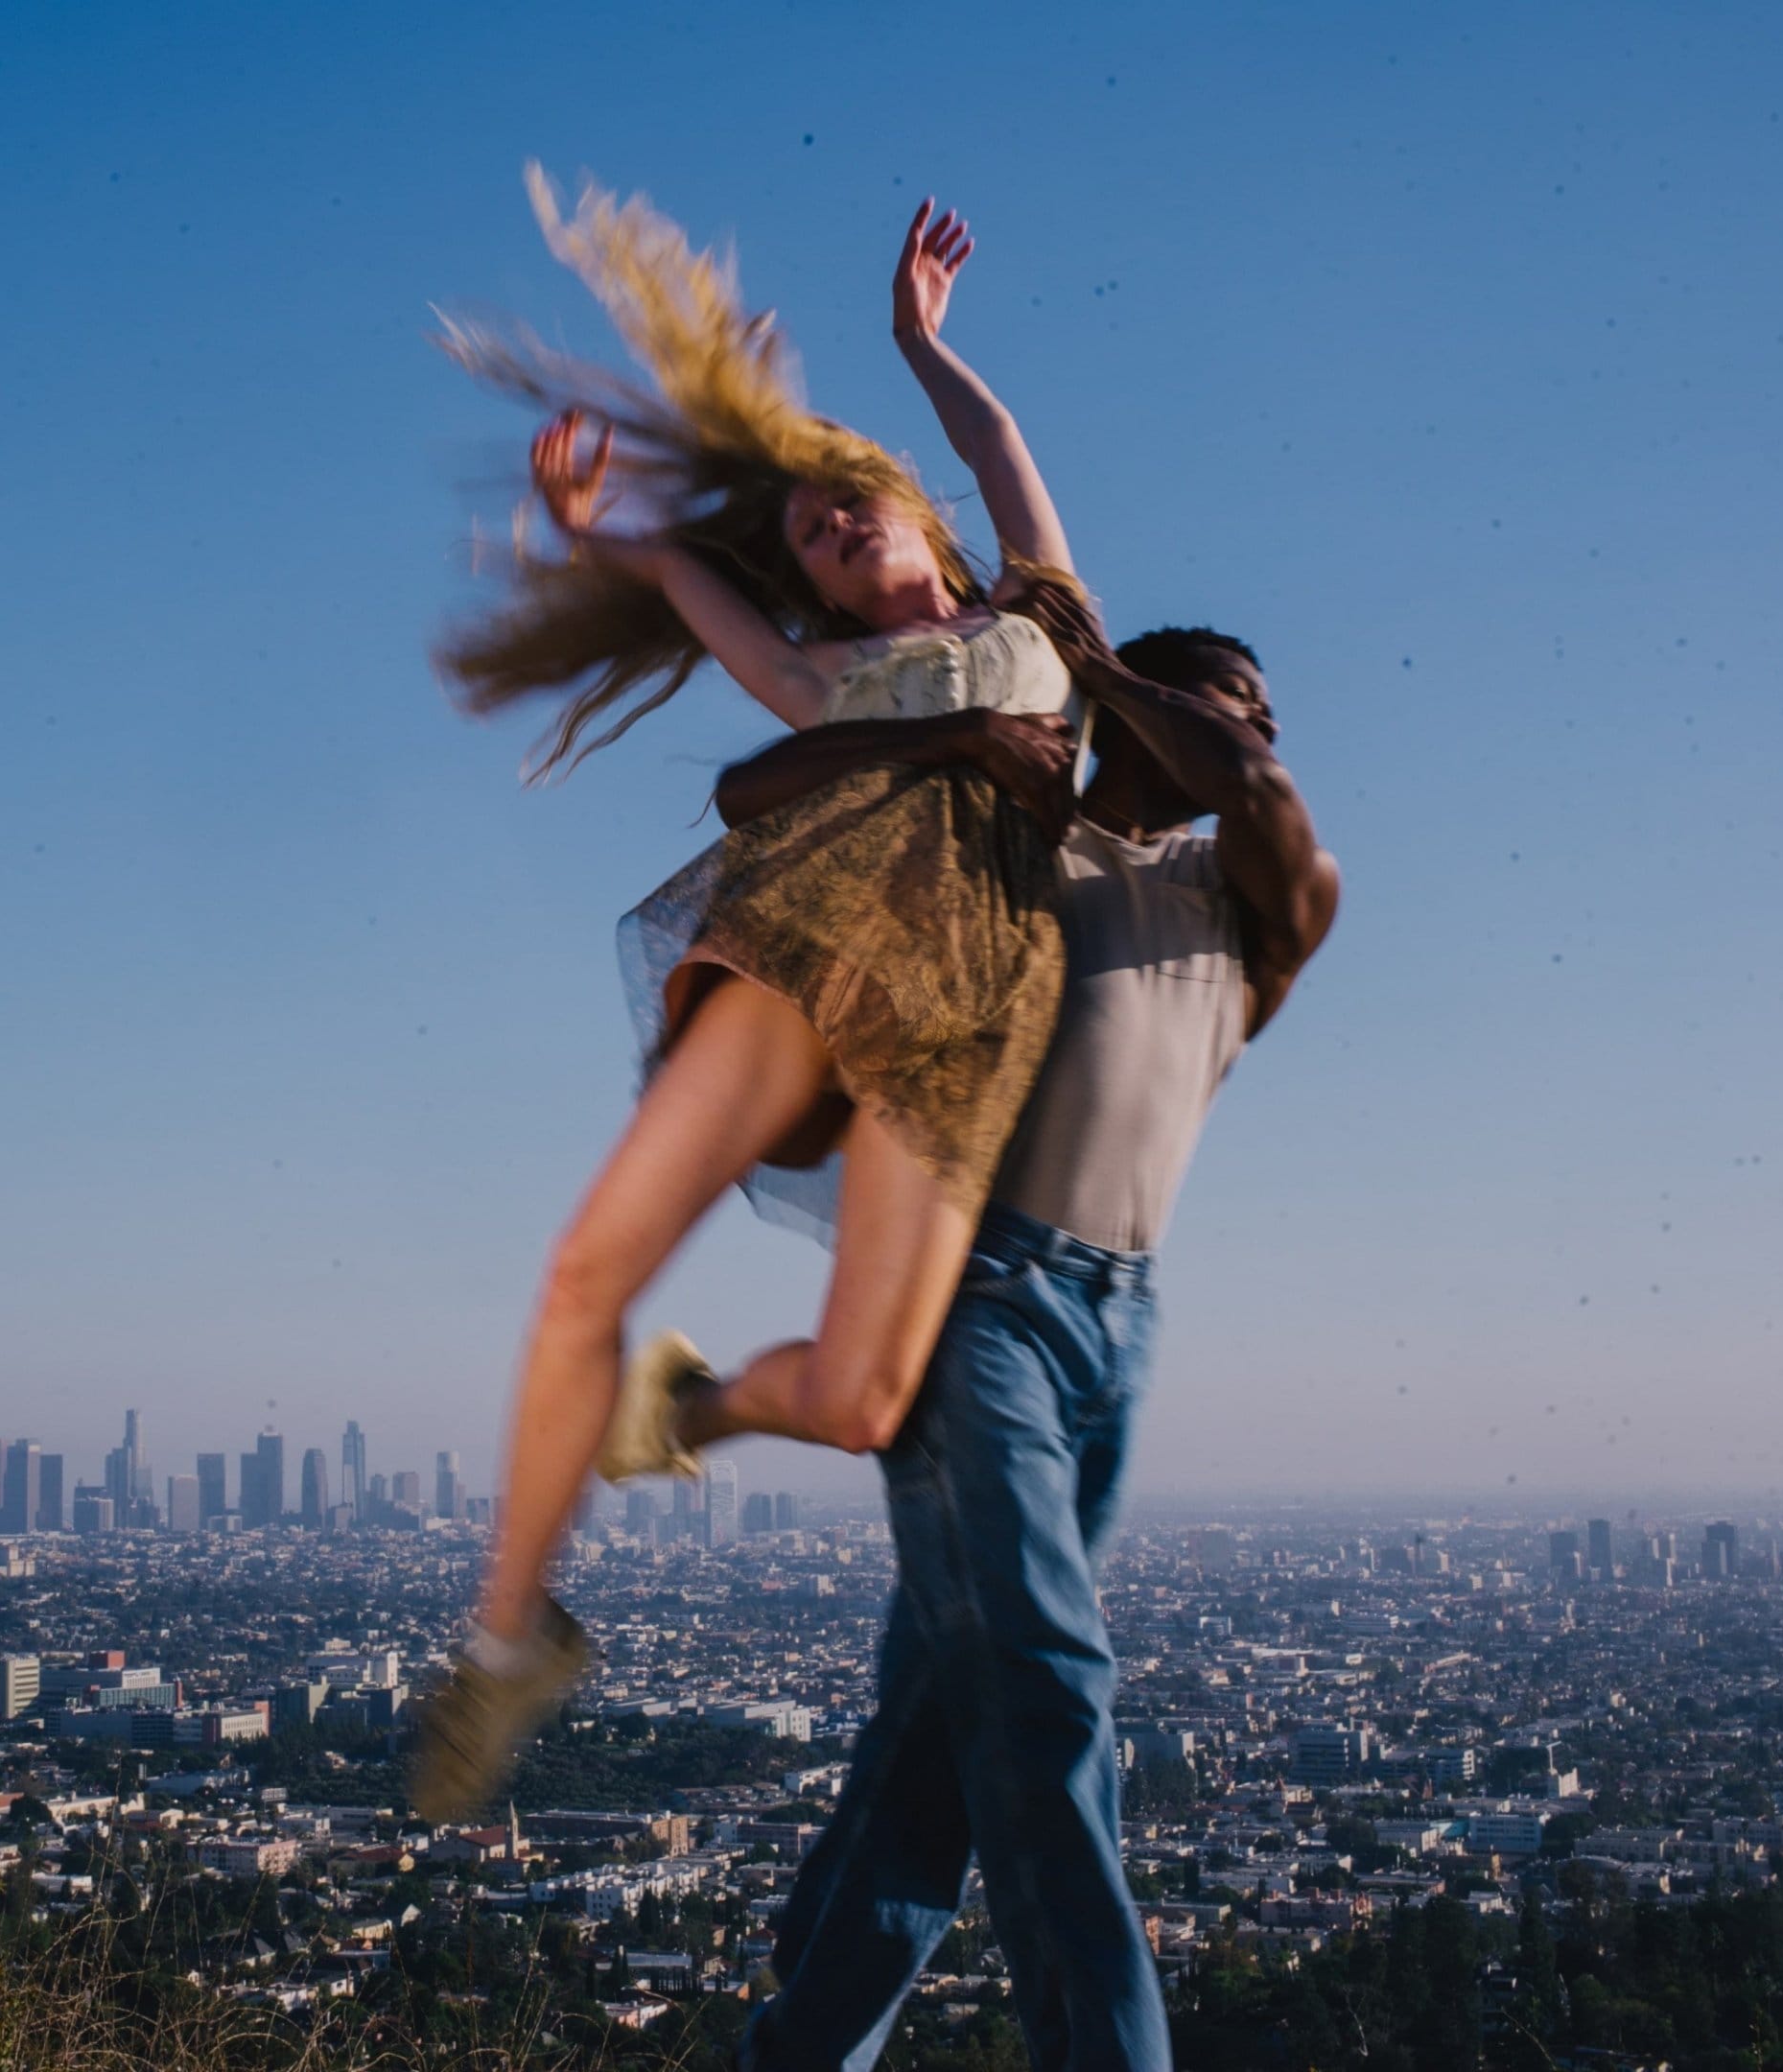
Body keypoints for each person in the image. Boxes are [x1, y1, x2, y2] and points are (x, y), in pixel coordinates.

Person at [411, 177, 1118, 1822]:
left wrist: (919, 345)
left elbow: (1002, 447)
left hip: (974, 1010)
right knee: (585, 1268)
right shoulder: (823, 679)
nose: (826, 528)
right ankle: (508, 1636)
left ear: (915, 512)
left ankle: (690, 1403)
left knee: (868, 1399)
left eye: (845, 500)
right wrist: (598, 534)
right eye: (802, 533)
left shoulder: (1043, 617)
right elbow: (682, 578)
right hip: (814, 946)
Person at [739, 628, 1339, 2067]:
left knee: (937, 1739)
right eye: (1228, 700)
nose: (1256, 732)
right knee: (1047, 1682)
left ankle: (800, 2045)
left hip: (1117, 1323)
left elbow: (1256, 788)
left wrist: (1110, 672)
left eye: (1263, 712)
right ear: (1136, 705)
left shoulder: (1254, 902)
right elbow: (756, 795)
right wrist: (957, 737)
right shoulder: (1005, 852)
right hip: (975, 1302)